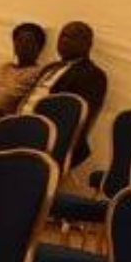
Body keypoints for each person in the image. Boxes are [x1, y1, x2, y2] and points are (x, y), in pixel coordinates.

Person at [23, 20, 108, 164]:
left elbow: (76, 118)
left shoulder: (93, 74)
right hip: (20, 124)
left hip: (50, 135)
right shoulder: (50, 67)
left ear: (88, 44)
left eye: (71, 37)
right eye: (62, 36)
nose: (63, 41)